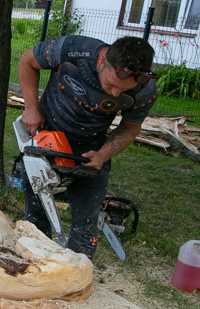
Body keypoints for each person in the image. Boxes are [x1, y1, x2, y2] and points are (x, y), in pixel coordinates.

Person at [17, 35, 158, 259]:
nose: (114, 94)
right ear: (102, 61)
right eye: (111, 84)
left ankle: (76, 272)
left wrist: (103, 154)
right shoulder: (72, 50)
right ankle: (31, 262)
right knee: (36, 212)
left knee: (86, 223)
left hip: (91, 149)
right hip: (47, 136)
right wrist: (31, 108)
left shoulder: (144, 91)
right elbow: (27, 61)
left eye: (122, 90)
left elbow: (130, 129)